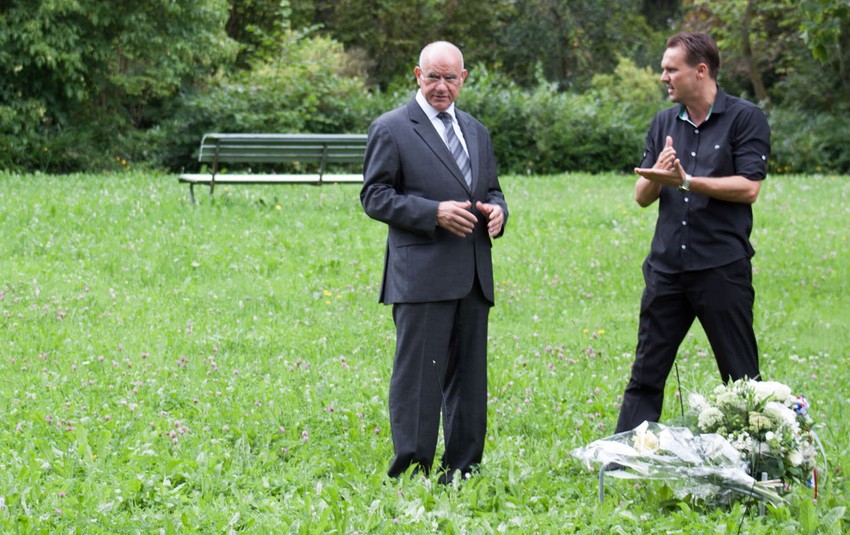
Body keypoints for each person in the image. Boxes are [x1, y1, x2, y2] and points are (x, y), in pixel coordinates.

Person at [360, 41, 508, 482]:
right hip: (421, 275)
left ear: (464, 79)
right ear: (417, 75)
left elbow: (491, 189)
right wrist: (433, 213)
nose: (441, 86)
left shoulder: (477, 131)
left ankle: (462, 468)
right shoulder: (391, 128)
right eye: (433, 77)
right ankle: (412, 470)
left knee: (469, 381)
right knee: (419, 380)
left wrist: (499, 211)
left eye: (450, 78)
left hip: (473, 276)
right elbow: (374, 196)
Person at [615, 32, 771, 434]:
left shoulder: (745, 118)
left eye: (672, 69)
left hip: (721, 268)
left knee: (741, 377)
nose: (663, 77)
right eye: (663, 69)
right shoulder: (663, 122)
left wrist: (687, 181)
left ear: (700, 71)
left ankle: (757, 459)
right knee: (646, 373)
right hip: (666, 269)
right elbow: (642, 196)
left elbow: (749, 187)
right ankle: (623, 458)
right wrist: (659, 174)